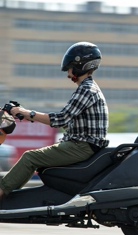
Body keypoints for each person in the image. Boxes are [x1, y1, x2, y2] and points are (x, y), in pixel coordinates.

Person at [0, 42, 109, 199]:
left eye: (70, 68)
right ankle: (12, 197)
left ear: (79, 66)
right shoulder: (89, 88)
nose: (68, 74)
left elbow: (61, 119)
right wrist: (24, 113)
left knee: (30, 157)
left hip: (82, 147)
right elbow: (66, 121)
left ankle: (2, 192)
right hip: (81, 145)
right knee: (36, 158)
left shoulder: (86, 90)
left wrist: (24, 112)